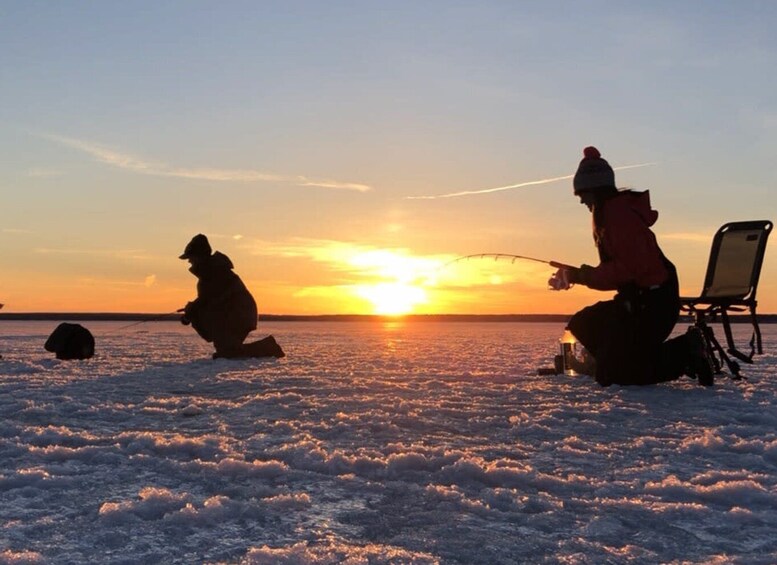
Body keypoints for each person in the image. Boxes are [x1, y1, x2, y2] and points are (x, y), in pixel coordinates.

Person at [548, 146, 714, 387]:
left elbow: (628, 269)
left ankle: (685, 352)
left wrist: (581, 275)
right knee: (584, 322)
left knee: (616, 375)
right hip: (637, 300)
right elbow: (619, 269)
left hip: (653, 305)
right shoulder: (609, 213)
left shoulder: (618, 216)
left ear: (594, 190)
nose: (582, 200)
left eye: (582, 194)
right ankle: (605, 360)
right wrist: (577, 275)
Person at [179, 234, 283, 359]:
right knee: (226, 351)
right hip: (232, 315)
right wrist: (191, 311)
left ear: (200, 256)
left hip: (238, 316)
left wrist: (191, 311)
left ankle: (269, 347)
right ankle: (265, 347)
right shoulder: (211, 273)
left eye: (191, 258)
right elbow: (207, 299)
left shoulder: (216, 272)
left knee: (229, 353)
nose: (189, 262)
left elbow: (210, 299)